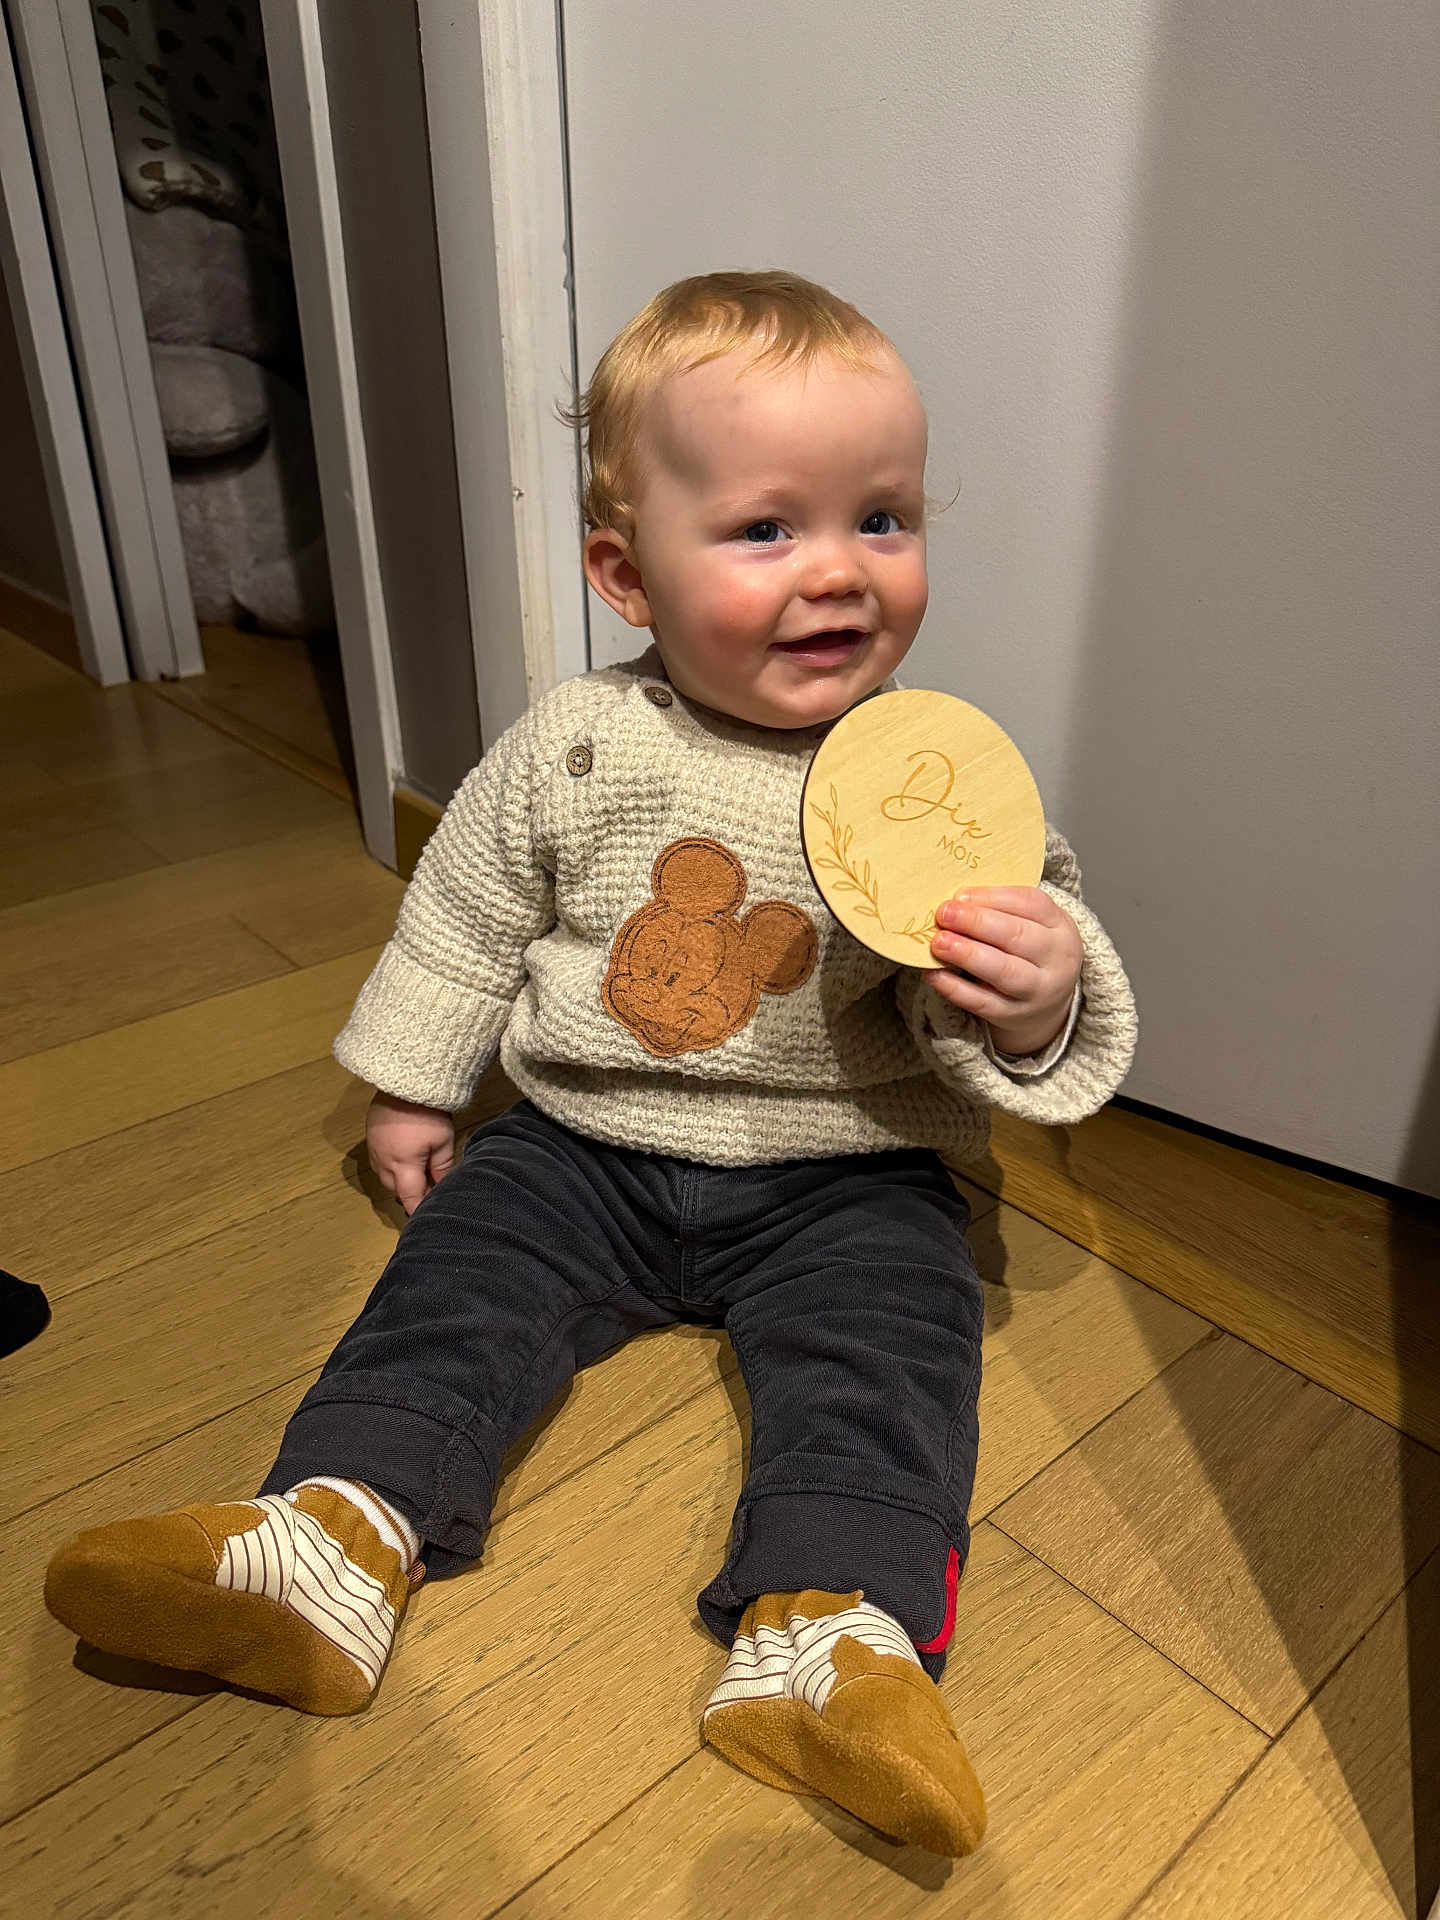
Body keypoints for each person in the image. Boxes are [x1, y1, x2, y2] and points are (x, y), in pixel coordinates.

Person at [44, 270, 1137, 1857]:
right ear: (627, 573)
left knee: (896, 1350)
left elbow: (990, 995)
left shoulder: (937, 783)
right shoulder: (575, 740)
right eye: (769, 530)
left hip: (850, 1169)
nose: (838, 572)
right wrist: (418, 1079)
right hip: (586, 1141)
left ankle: (837, 1637)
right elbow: (470, 911)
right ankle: (335, 1536)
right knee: (460, 1282)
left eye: (882, 520)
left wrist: (1029, 995)